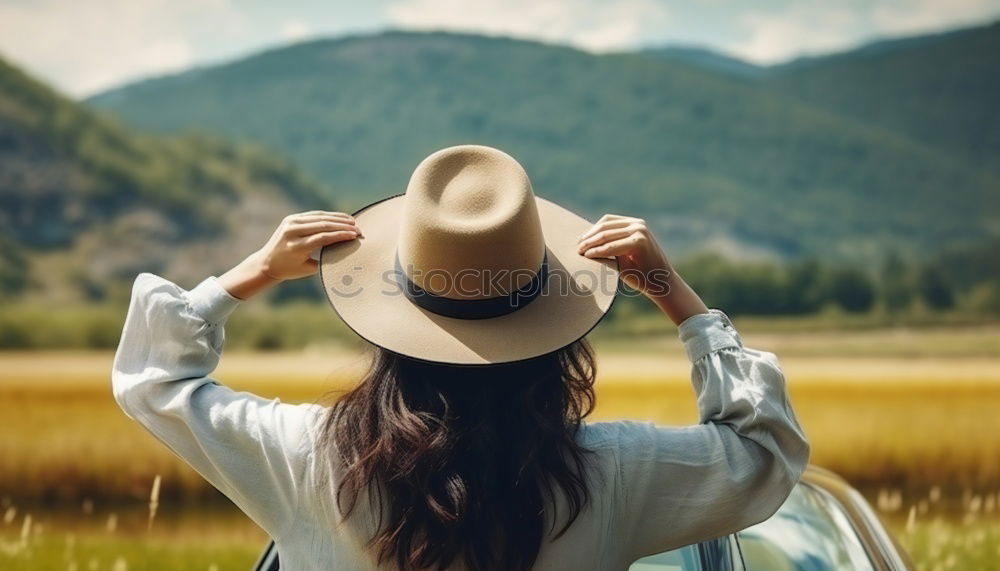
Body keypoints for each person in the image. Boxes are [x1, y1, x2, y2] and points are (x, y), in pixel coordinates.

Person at [112, 145, 809, 570]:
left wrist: (252, 272)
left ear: (391, 326)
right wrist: (674, 294)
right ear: (554, 337)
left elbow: (154, 380)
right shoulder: (612, 474)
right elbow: (764, 453)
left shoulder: (306, 458)